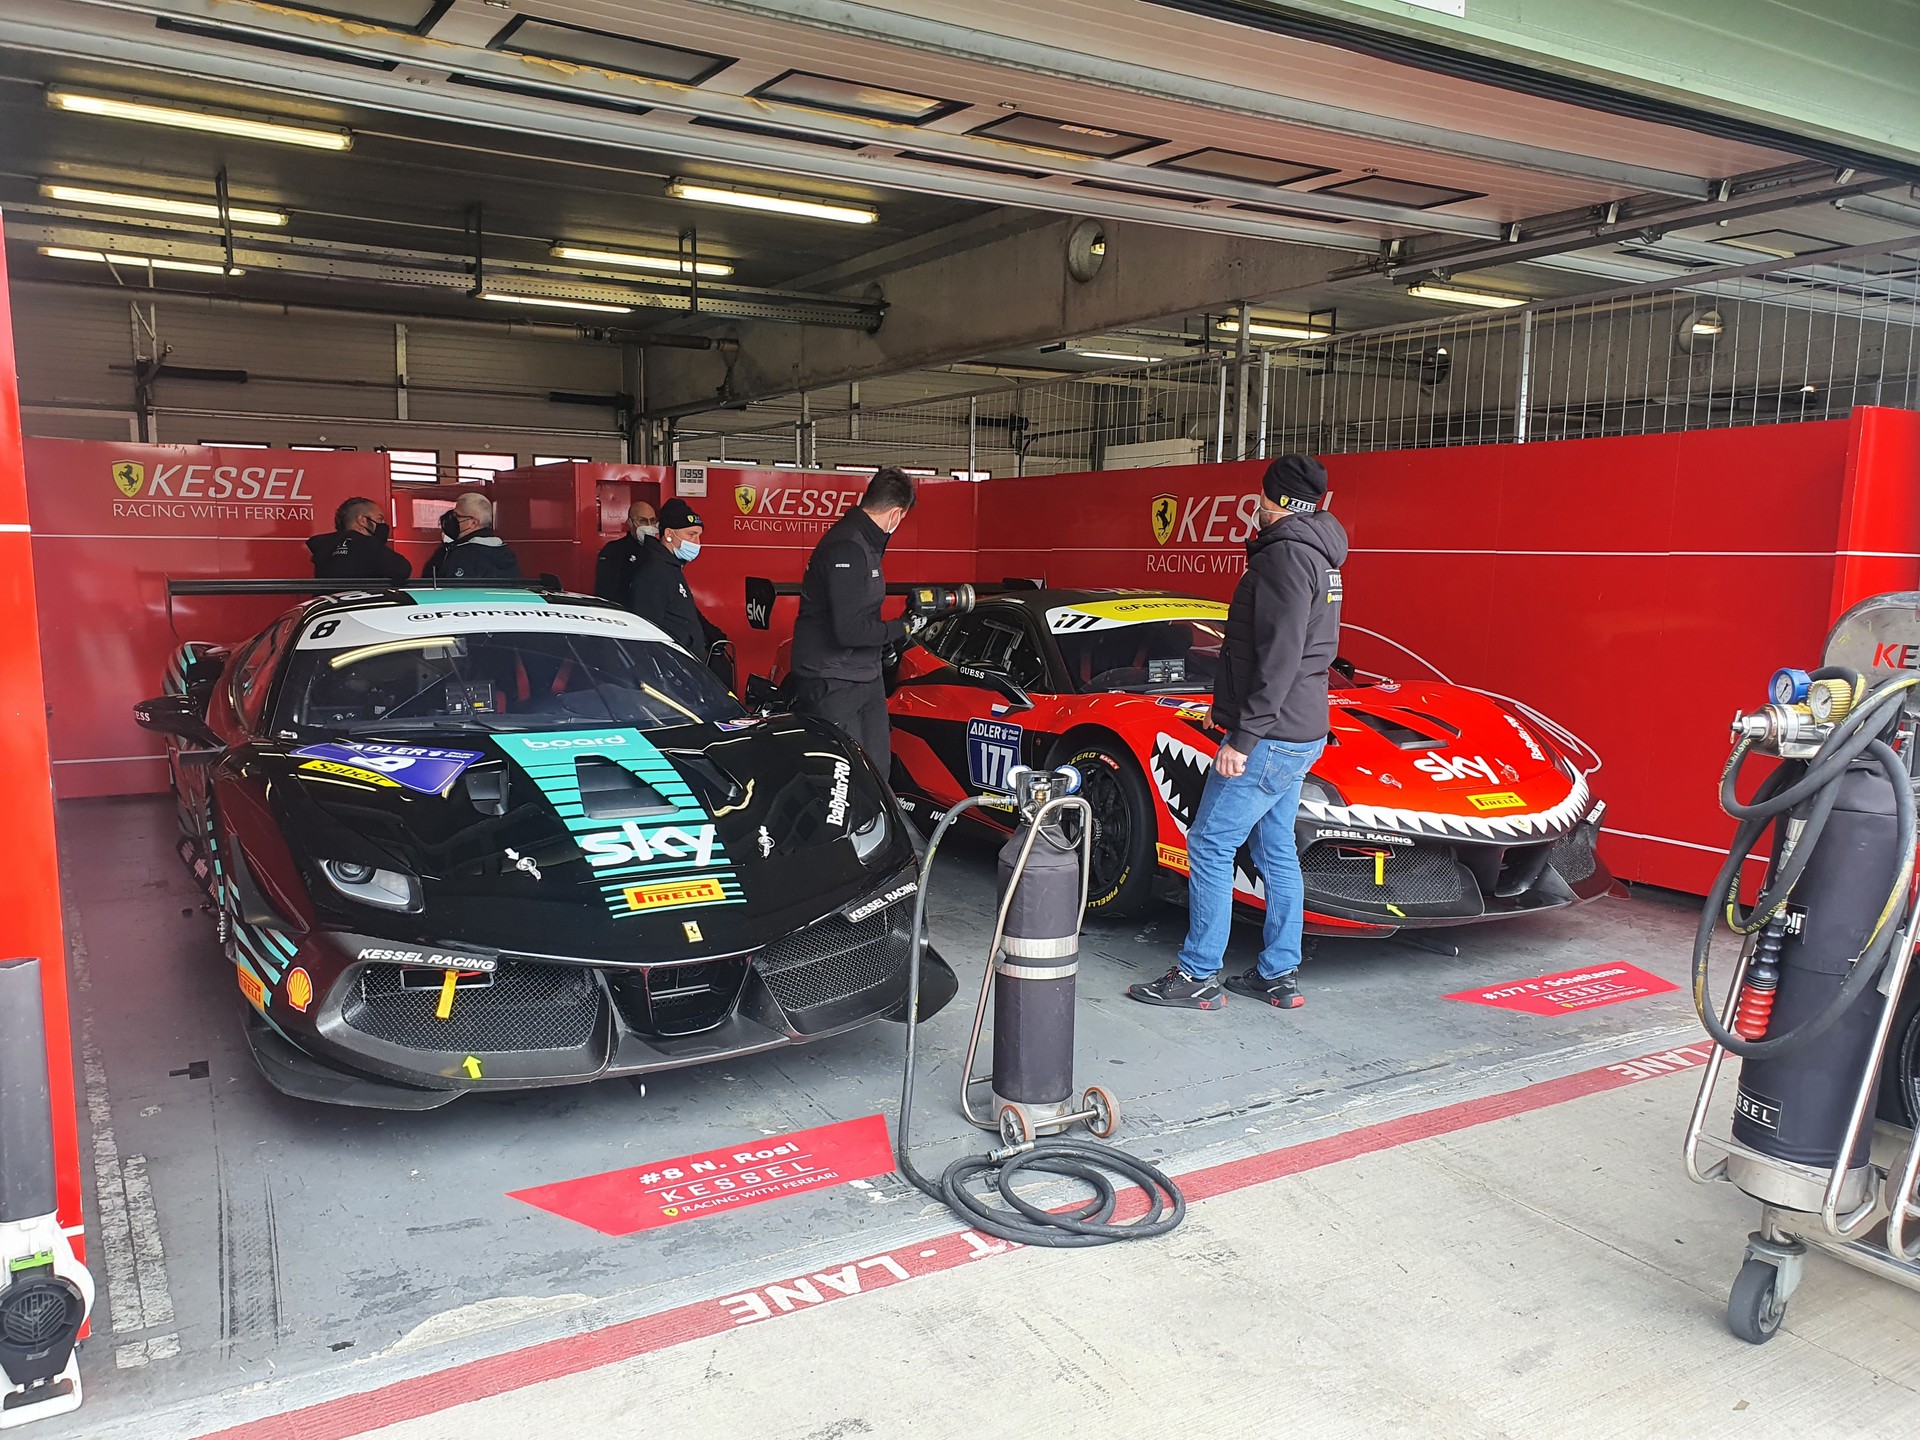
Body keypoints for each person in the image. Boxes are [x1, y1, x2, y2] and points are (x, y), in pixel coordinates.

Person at [1129, 455, 1347, 1013]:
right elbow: (1281, 653)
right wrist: (1227, 711)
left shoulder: (1283, 557)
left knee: (1208, 842)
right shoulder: (1322, 554)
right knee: (1276, 849)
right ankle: (1277, 975)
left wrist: (1244, 736)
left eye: (1261, 498)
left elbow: (1278, 656)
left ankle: (1197, 974)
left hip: (1271, 736)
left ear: (1270, 500)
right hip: (1303, 726)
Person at [787, 467, 916, 775]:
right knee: (847, 779)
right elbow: (848, 630)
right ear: (896, 515)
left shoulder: (868, 542)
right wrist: (903, 627)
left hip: (864, 676)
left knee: (877, 775)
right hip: (832, 680)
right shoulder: (846, 545)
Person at [628, 498, 731, 685]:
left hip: (685, 671)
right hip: (668, 677)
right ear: (668, 534)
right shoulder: (654, 571)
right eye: (691, 534)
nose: (696, 542)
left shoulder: (671, 567)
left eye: (699, 535)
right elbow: (646, 630)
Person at [307, 497, 410, 582]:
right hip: (362, 605)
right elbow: (402, 569)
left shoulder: (324, 547)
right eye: (379, 519)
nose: (383, 524)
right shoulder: (369, 545)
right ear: (363, 521)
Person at [423, 492, 520, 580]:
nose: (451, 519)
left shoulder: (461, 555)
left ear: (473, 523)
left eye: (457, 516)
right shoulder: (507, 553)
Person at [593, 497, 658, 604]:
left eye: (653, 520)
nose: (649, 525)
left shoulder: (659, 550)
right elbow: (606, 591)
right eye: (643, 521)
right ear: (630, 523)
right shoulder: (614, 550)